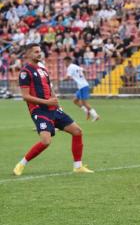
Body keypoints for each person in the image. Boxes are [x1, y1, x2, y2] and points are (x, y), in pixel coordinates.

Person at [13, 44, 94, 176]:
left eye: (40, 51)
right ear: (28, 54)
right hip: (39, 110)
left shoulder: (43, 70)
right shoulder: (25, 72)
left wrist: (56, 102)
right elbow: (25, 96)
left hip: (53, 109)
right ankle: (21, 164)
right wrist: (47, 102)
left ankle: (78, 166)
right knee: (46, 141)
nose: (39, 54)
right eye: (36, 52)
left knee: (77, 131)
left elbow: (50, 89)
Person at [63, 56, 100, 122]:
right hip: (82, 86)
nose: (64, 64)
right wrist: (83, 79)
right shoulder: (75, 66)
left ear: (67, 61)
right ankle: (86, 111)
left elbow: (68, 77)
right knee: (75, 100)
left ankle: (95, 115)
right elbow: (85, 71)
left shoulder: (70, 67)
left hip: (83, 86)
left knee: (84, 103)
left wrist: (62, 79)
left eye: (64, 62)